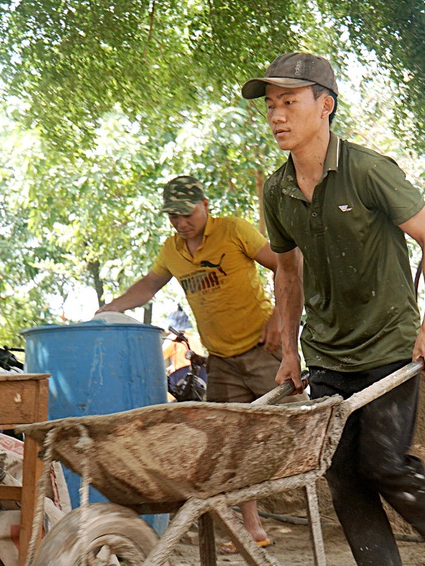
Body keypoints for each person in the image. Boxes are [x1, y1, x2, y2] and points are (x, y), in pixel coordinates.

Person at [242, 52, 425, 566]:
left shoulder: (370, 171)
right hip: (327, 352)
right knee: (342, 473)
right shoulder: (278, 191)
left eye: (289, 102)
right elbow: (286, 270)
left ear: (324, 105)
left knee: (383, 460)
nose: (277, 116)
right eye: (271, 106)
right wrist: (288, 350)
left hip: (389, 342)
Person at [97, 175, 300, 548]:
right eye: (173, 217)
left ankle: (334, 505)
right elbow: (148, 286)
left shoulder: (234, 230)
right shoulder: (172, 249)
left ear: (205, 204)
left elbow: (286, 265)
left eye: (187, 214)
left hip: (263, 350)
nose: (181, 222)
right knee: (230, 444)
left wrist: (280, 321)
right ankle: (253, 529)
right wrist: (110, 308)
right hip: (220, 360)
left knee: (301, 429)